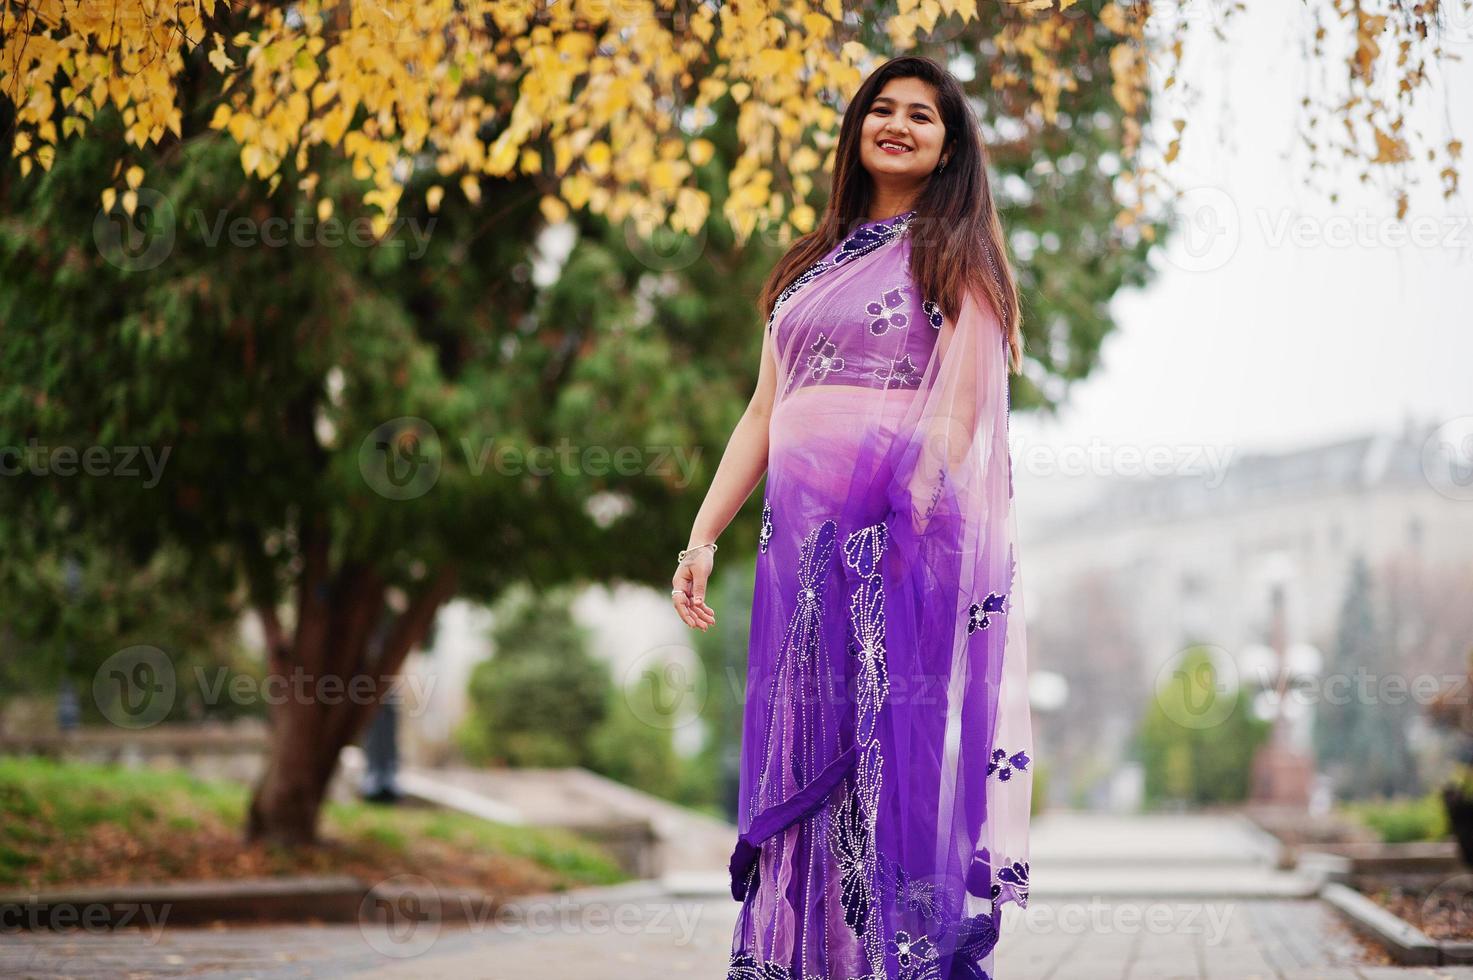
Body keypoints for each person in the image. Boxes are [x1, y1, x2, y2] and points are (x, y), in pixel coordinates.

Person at [671, 54, 1033, 980]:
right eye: (883, 108)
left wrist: (901, 518)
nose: (898, 123)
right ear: (857, 130)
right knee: (801, 748)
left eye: (923, 114)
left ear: (949, 146)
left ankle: (889, 966)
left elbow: (958, 410)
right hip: (798, 549)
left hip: (890, 549)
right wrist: (702, 535)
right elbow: (763, 412)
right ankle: (803, 963)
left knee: (876, 762)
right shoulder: (808, 267)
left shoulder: (955, 256)